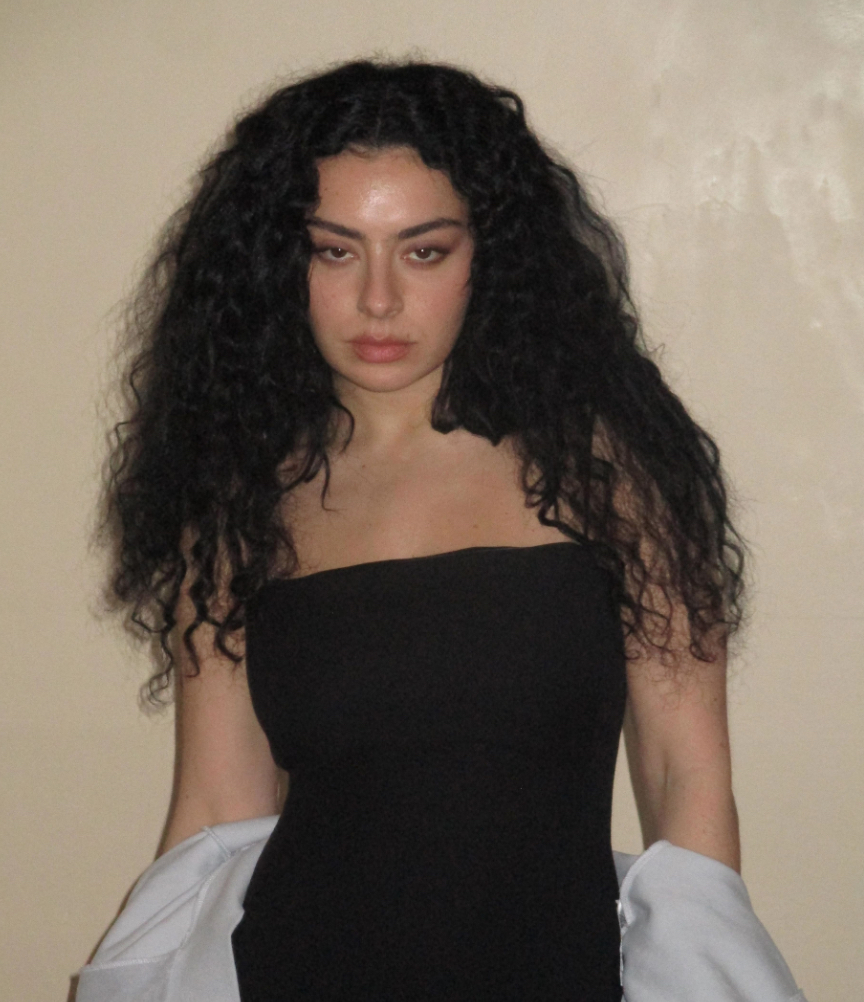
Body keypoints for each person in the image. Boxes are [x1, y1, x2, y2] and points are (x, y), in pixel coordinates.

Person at [103, 59, 746, 1001]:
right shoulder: (239, 506)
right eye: (334, 251)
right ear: (278, 264)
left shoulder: (612, 478)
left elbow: (686, 777)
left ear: (492, 256)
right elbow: (215, 809)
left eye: (423, 252)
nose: (378, 300)